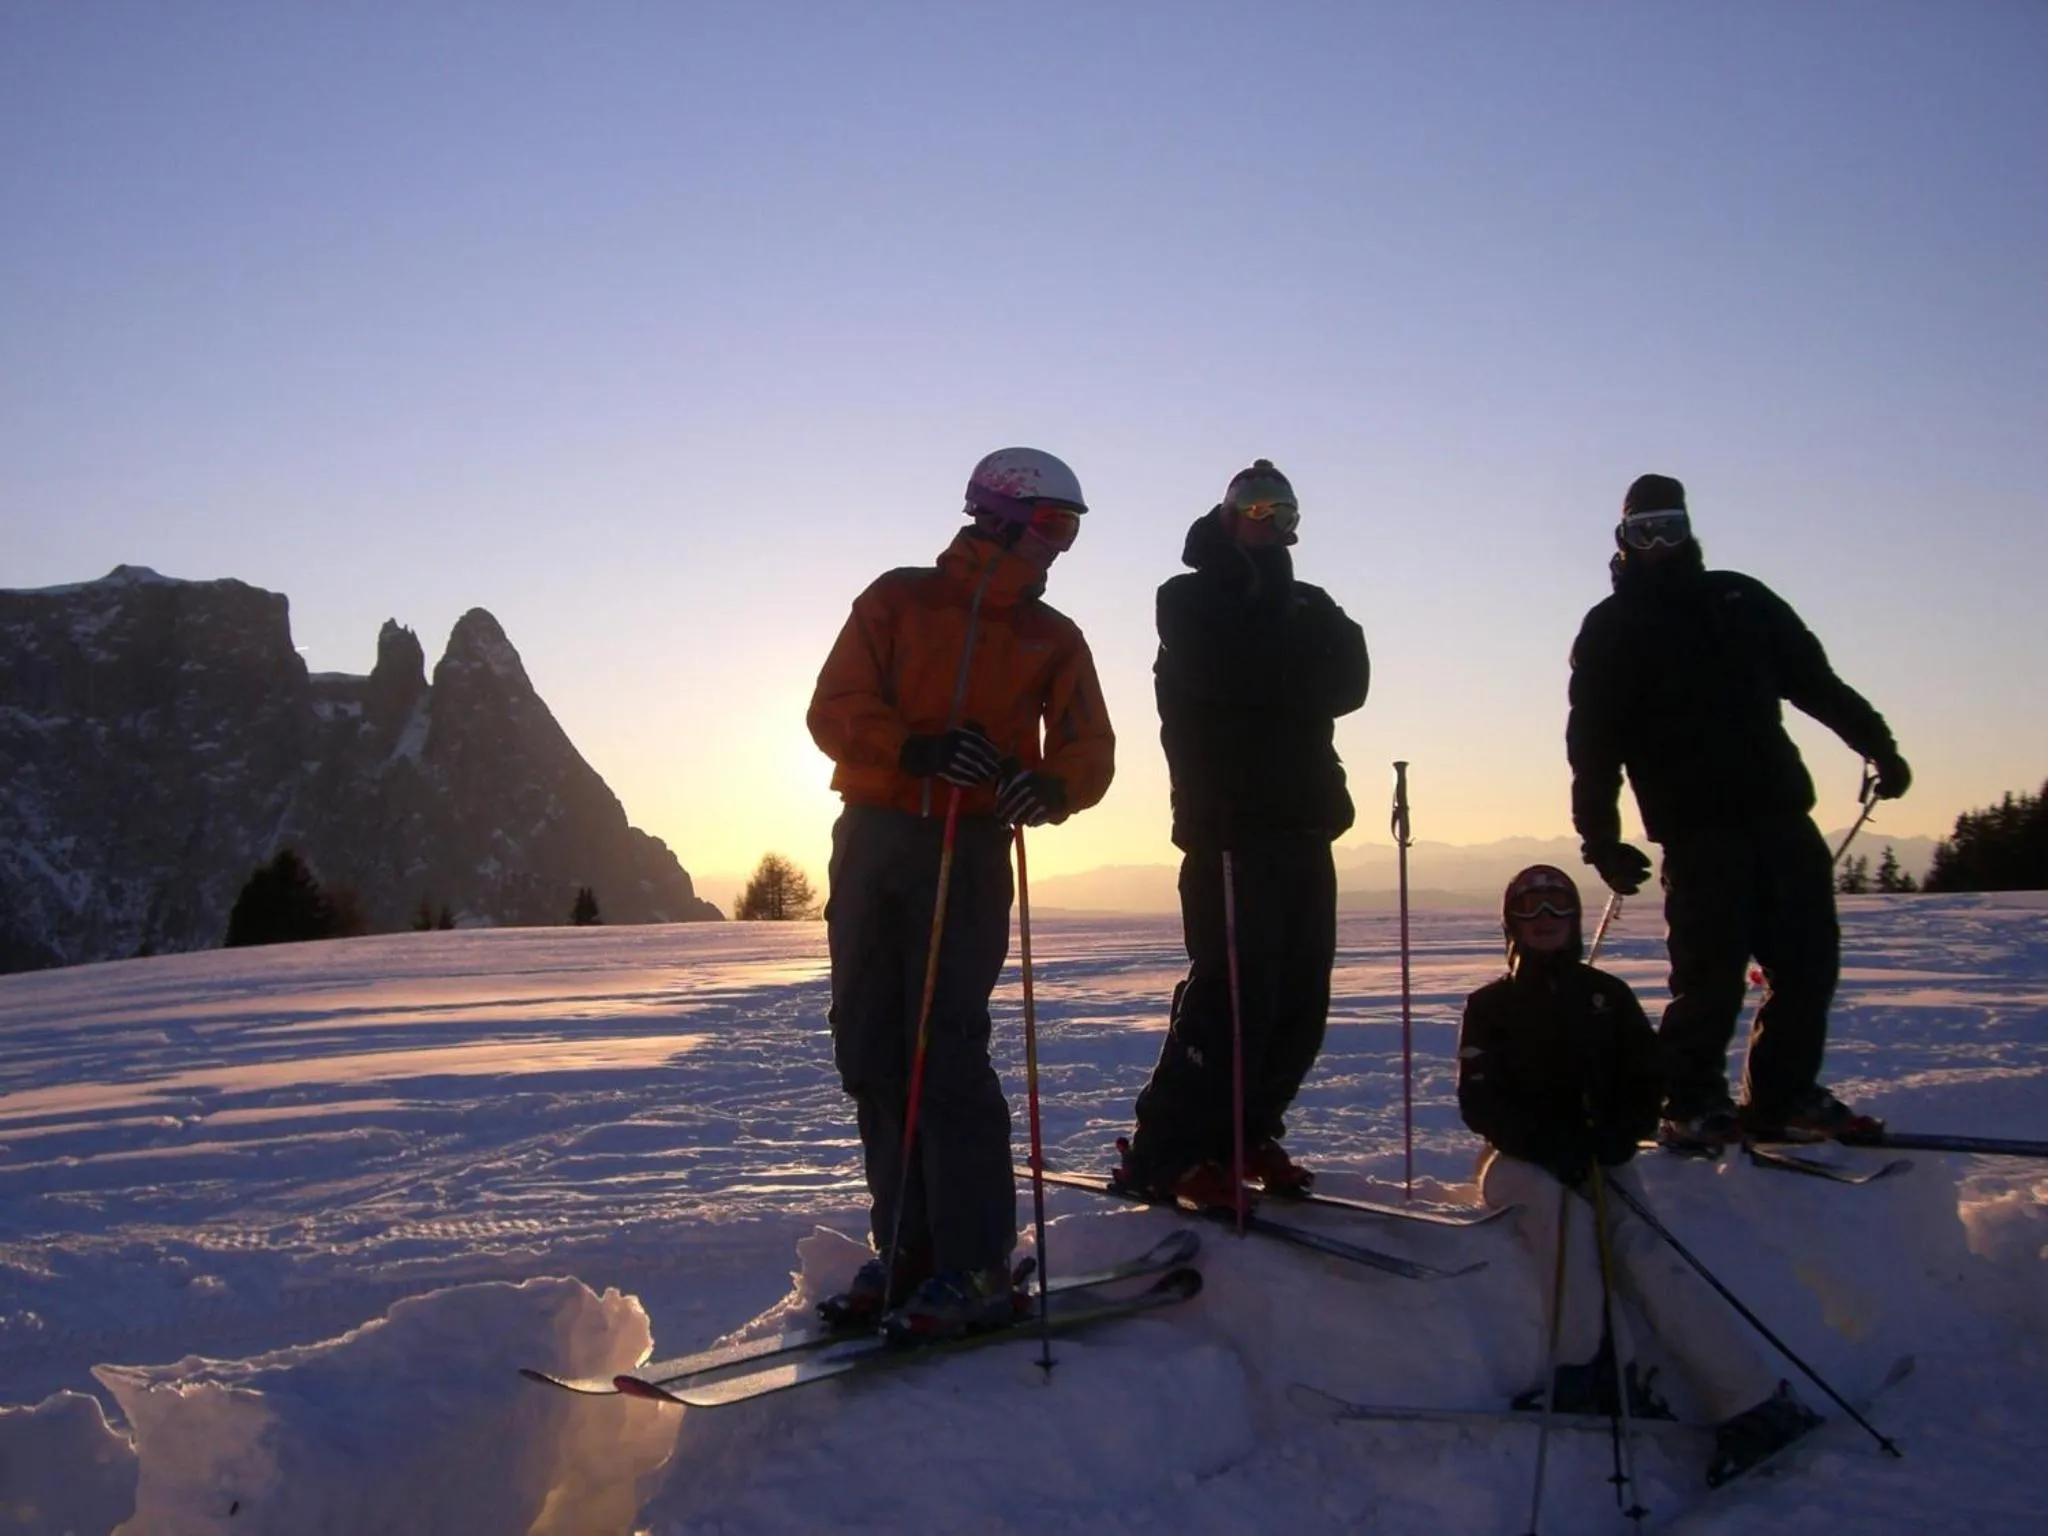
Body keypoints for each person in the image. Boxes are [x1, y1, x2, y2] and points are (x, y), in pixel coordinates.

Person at [806, 446, 1115, 1339]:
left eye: (1071, 530)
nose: (1059, 545)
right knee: (870, 1045)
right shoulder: (899, 598)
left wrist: (1049, 788)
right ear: (1000, 515)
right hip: (878, 836)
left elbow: (1088, 748)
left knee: (944, 1047)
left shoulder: (1053, 636)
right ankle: (908, 1245)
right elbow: (834, 705)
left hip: (969, 847)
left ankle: (975, 1264)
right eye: (1052, 524)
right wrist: (912, 748)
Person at [1567, 473, 1912, 1149]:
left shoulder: (1742, 600)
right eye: (1644, 531)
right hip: (1697, 833)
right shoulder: (1611, 629)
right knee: (1710, 979)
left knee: (1808, 968)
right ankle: (1691, 1100)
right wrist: (1600, 839)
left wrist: (1878, 745)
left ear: (1689, 529)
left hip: (1780, 816)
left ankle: (1782, 1096)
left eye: (1670, 527)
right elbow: (1593, 746)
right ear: (1624, 540)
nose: (1659, 543)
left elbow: (1816, 684)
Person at [1458, 864, 1822, 1485]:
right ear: (1510, 923)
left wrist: (1618, 1133)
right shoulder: (1490, 1006)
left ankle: (1752, 1403)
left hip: (1602, 1155)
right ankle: (1589, 1370)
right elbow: (1479, 1101)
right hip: (1518, 1160)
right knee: (1561, 1217)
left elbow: (1646, 1080)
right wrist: (1545, 1144)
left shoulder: (1608, 997)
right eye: (1530, 908)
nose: (1545, 920)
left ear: (1575, 918)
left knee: (1646, 1251)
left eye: (1557, 906)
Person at [1113, 459, 1369, 1208]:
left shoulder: (1311, 601)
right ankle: (1166, 1152)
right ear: (1227, 516)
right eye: (1255, 507)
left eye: (1282, 510)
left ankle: (1247, 1130)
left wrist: (1279, 674)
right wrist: (1289, 674)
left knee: (1300, 996)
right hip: (1227, 826)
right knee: (1231, 994)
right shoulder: (1188, 597)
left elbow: (1350, 683)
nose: (1270, 520)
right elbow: (1228, 676)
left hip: (1304, 819)